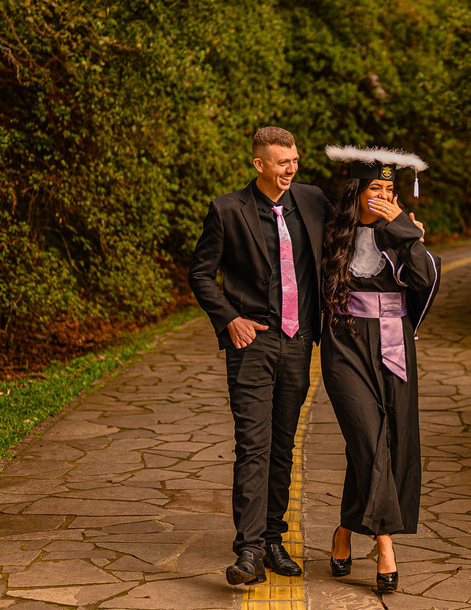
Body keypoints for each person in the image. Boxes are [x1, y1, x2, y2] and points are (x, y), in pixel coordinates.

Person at [188, 127, 331, 586]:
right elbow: (201, 274)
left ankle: (273, 539)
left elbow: (351, 235)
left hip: (298, 340)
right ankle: (247, 551)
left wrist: (401, 226)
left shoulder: (312, 201)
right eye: (282, 162)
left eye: (295, 160)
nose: (291, 169)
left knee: (283, 444)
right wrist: (230, 318)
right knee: (254, 444)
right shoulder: (227, 210)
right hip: (253, 342)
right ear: (259, 165)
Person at [319, 145, 441, 594]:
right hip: (345, 343)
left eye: (391, 189)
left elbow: (425, 283)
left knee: (382, 442)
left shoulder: (403, 234)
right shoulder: (333, 231)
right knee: (367, 438)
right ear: (358, 192)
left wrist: (404, 231)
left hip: (392, 343)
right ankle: (386, 544)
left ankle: (345, 532)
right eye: (376, 188)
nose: (385, 196)